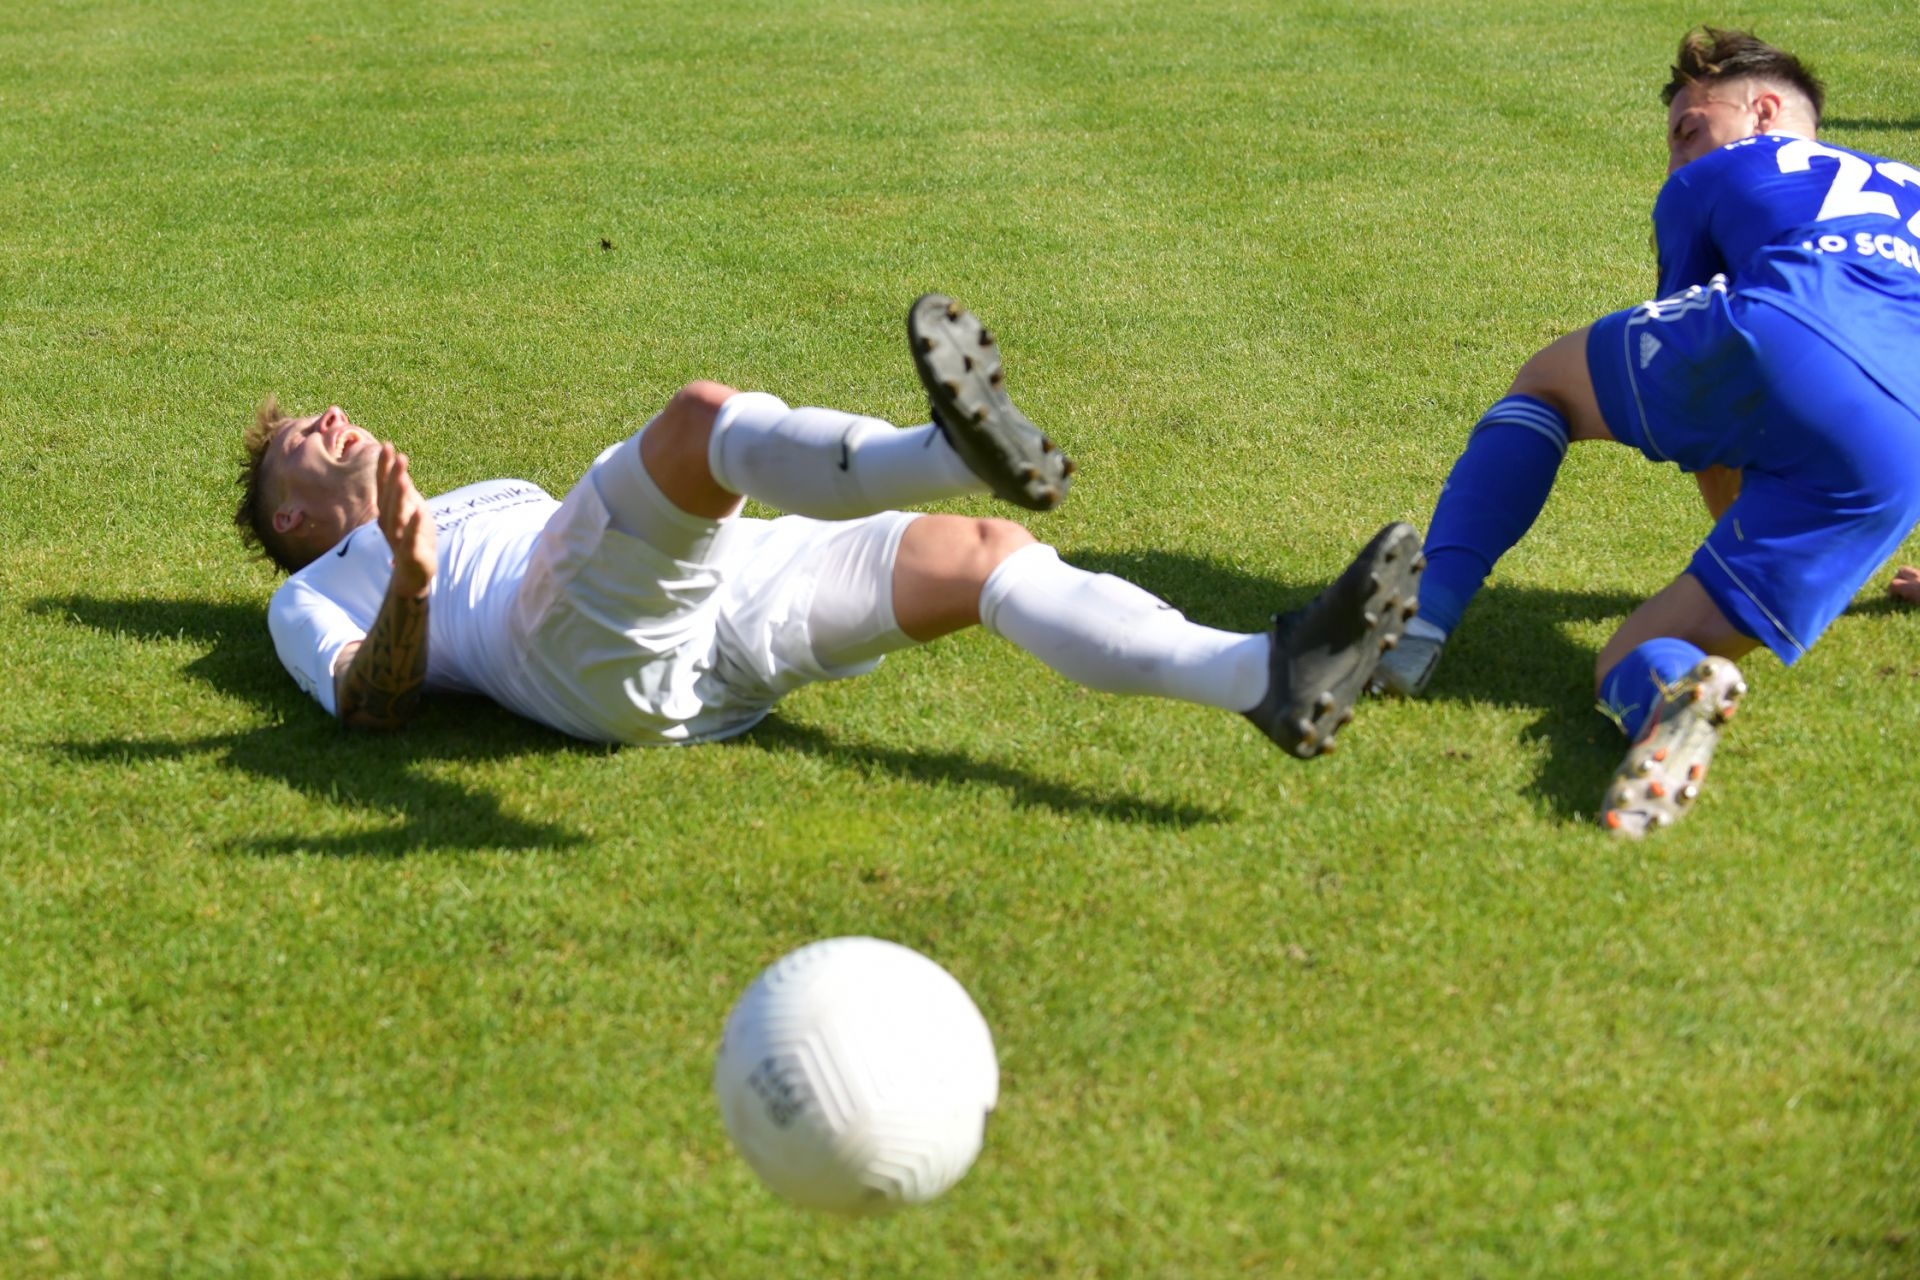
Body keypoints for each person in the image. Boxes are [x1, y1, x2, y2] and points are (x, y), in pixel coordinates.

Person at [236, 295, 1423, 761]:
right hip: (564, 648)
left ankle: (1262, 672)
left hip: (703, 634)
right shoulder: (313, 590)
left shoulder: (474, 490)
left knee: (986, 560)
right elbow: (367, 704)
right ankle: (944, 449)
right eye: (303, 436)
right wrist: (414, 582)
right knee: (699, 422)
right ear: (292, 515)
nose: (331, 417)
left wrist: (429, 535)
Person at [1370, 27, 1920, 835]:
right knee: (1623, 656)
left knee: (1549, 382)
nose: (1677, 161)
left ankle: (1421, 623)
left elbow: (1713, 411)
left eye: (1687, 130)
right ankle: (1673, 698)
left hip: (1783, 333)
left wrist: (1732, 519)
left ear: (1764, 111)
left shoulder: (1722, 174)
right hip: (1899, 453)